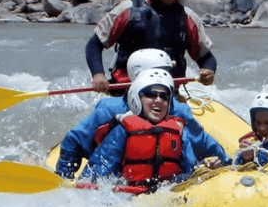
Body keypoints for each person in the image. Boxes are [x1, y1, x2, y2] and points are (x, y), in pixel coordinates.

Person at [54, 49, 230, 179]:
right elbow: (74, 141)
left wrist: (222, 162)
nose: (169, 78)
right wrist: (64, 177)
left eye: (168, 73)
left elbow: (205, 146)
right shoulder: (109, 110)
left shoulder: (180, 112)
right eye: (164, 72)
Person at [85, 0, 217, 95]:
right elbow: (94, 44)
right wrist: (98, 75)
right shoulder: (126, 10)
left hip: (167, 97)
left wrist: (208, 72)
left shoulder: (189, 18)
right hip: (126, 92)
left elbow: (206, 58)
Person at [80, 69, 222, 193]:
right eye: (150, 95)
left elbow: (189, 171)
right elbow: (97, 173)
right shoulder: (122, 131)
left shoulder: (179, 132)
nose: (158, 100)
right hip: (128, 196)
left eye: (164, 96)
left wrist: (207, 168)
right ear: (137, 98)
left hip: (166, 195)